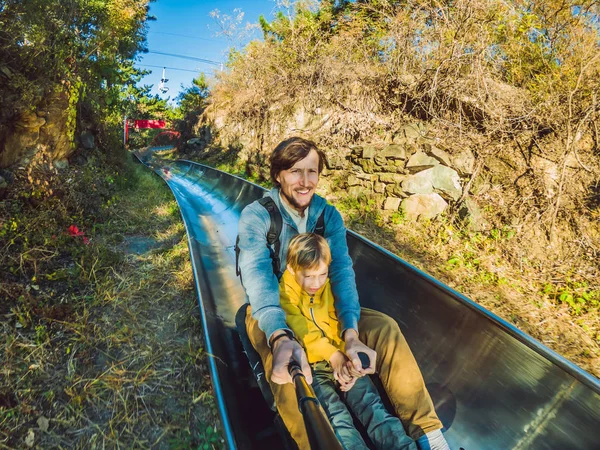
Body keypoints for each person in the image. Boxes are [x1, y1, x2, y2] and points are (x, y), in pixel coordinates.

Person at [237, 137, 450, 450]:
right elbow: (257, 278)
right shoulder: (257, 217)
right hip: (273, 311)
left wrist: (350, 334)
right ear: (279, 174)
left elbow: (340, 273)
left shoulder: (328, 216)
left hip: (324, 308)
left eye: (312, 172)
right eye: (296, 172)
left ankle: (427, 433)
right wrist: (280, 336)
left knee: (385, 328)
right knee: (283, 368)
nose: (305, 181)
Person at [280, 232, 417, 450]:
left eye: (322, 274)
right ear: (291, 269)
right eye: (308, 276)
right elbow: (301, 330)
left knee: (372, 406)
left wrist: (348, 363)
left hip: (343, 359)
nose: (316, 283)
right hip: (313, 366)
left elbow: (340, 323)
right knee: (336, 419)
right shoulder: (285, 293)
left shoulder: (331, 287)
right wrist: (333, 356)